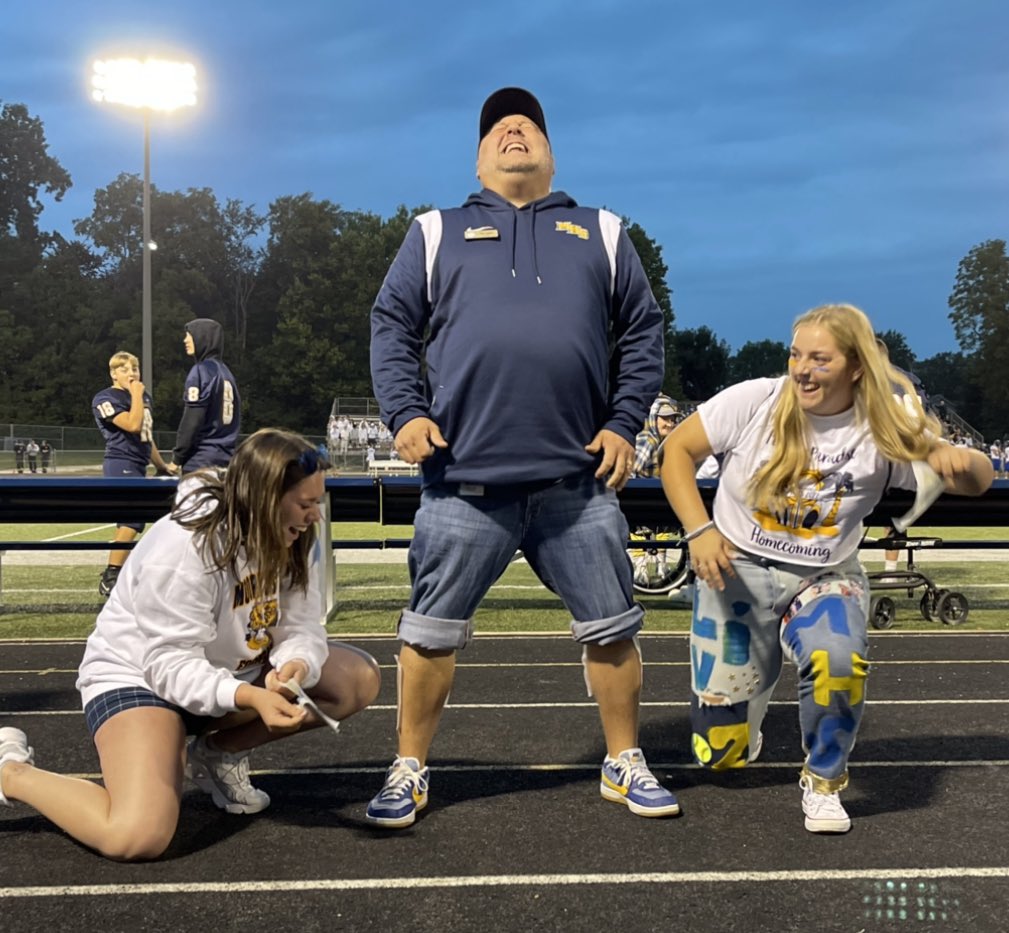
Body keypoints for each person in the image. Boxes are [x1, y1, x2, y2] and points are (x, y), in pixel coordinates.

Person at [367, 86, 678, 829]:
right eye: (499, 128)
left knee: (613, 627)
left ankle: (623, 759)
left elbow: (642, 331)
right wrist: (405, 412)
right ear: (477, 161)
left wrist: (624, 423)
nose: (514, 129)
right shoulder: (434, 230)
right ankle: (408, 765)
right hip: (464, 481)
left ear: (551, 155)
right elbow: (392, 323)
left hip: (576, 482)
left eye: (528, 125)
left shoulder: (602, 230)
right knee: (428, 633)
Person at [659, 303, 993, 834]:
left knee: (839, 658)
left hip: (824, 577)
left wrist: (962, 462)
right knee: (719, 754)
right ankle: (750, 697)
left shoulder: (882, 427)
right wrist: (700, 531)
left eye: (820, 359)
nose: (802, 370)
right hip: (736, 572)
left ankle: (824, 781)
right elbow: (676, 450)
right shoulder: (755, 400)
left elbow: (975, 479)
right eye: (796, 355)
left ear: (856, 367)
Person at [0, 428, 381, 860]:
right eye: (306, 503)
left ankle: (218, 754)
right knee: (136, 836)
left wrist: (297, 663)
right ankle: (11, 771)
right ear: (263, 498)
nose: (315, 517)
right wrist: (248, 696)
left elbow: (302, 624)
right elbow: (168, 664)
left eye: (318, 502)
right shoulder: (185, 546)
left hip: (227, 673)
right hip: (141, 678)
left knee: (356, 679)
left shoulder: (292, 537)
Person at [92, 351, 173, 597]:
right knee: (131, 519)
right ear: (113, 374)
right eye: (124, 369)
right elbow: (132, 425)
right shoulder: (105, 398)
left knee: (146, 516)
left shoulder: (143, 396)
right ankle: (111, 575)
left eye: (135, 369)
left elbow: (145, 435)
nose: (131, 374)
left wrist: (162, 465)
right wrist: (136, 394)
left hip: (138, 463)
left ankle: (130, 569)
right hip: (120, 462)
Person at [170, 318, 241, 475]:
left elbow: (192, 420)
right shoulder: (227, 373)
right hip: (227, 461)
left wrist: (177, 458)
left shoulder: (201, 371)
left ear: (202, 337)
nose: (185, 340)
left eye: (189, 335)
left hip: (201, 461)